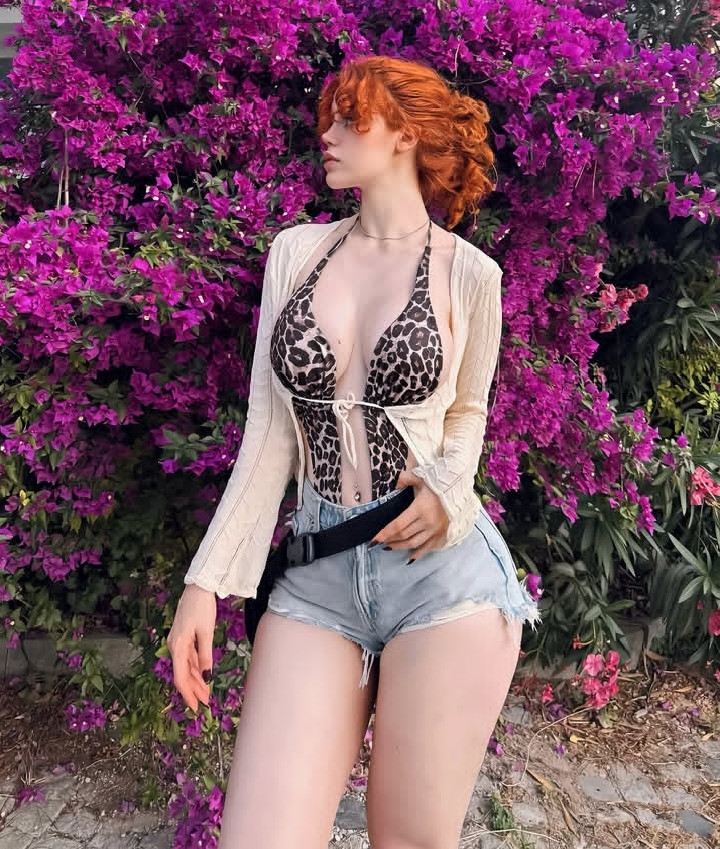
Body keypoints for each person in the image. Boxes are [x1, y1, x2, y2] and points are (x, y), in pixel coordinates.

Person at [167, 55, 538, 849]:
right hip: (319, 568)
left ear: (404, 134)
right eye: (330, 118)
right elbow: (268, 431)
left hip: (441, 577)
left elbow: (468, 412)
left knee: (408, 839)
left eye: (349, 119)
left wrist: (447, 487)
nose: (328, 135)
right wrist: (206, 583)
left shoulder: (472, 274)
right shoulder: (296, 254)